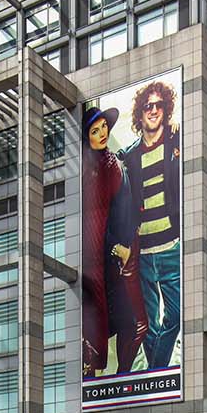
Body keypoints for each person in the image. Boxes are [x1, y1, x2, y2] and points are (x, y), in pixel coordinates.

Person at [118, 81, 181, 371]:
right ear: (140, 114)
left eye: (159, 105)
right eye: (148, 106)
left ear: (165, 109)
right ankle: (157, 377)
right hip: (142, 252)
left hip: (171, 248)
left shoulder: (176, 142)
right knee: (147, 324)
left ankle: (155, 372)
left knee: (176, 317)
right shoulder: (129, 157)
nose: (153, 110)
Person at [82, 105, 146, 376]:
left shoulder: (115, 164)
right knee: (109, 323)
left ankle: (121, 378)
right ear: (87, 138)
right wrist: (114, 246)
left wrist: (126, 244)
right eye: (95, 131)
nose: (102, 134)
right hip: (99, 260)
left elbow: (124, 210)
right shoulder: (89, 171)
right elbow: (93, 220)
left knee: (132, 324)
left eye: (104, 128)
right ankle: (105, 376)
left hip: (119, 255)